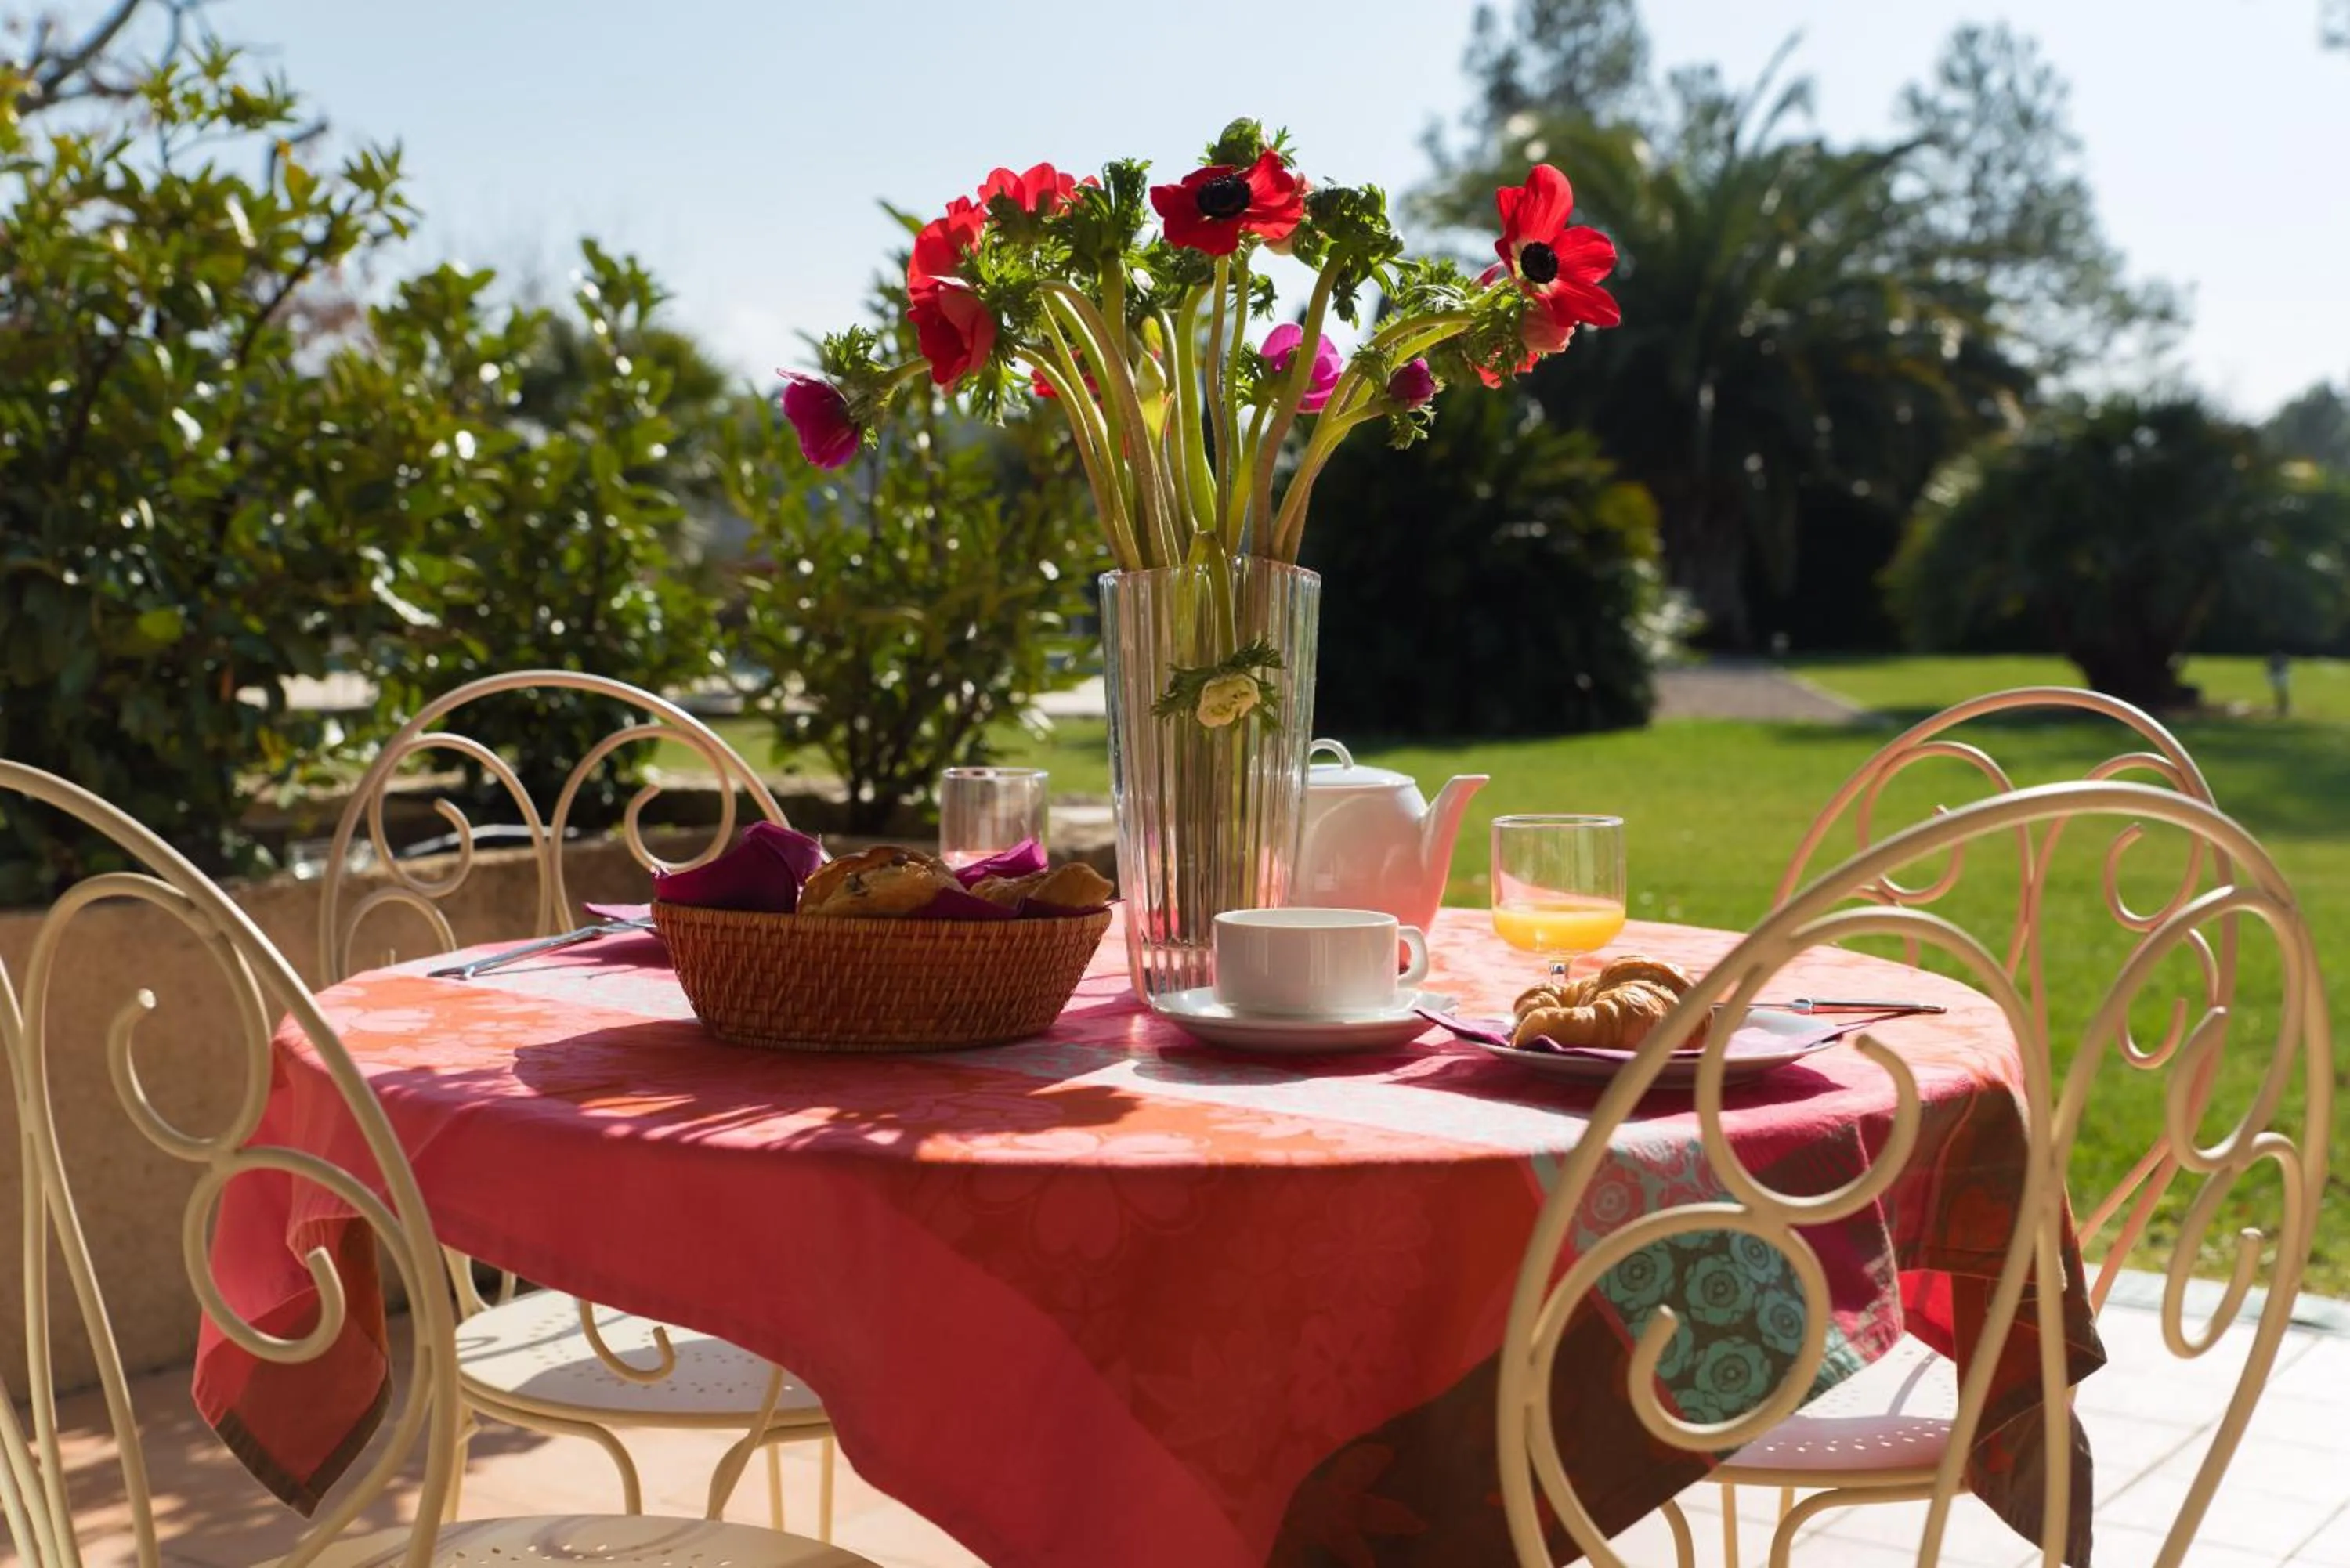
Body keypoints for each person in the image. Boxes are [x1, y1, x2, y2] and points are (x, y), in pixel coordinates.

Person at [2267, 650, 2292, 718]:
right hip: (2277, 675)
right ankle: (2281, 706)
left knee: (2282, 691)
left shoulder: (2281, 658)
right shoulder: (2273, 659)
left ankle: (2284, 706)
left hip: (2281, 675)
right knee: (2279, 691)